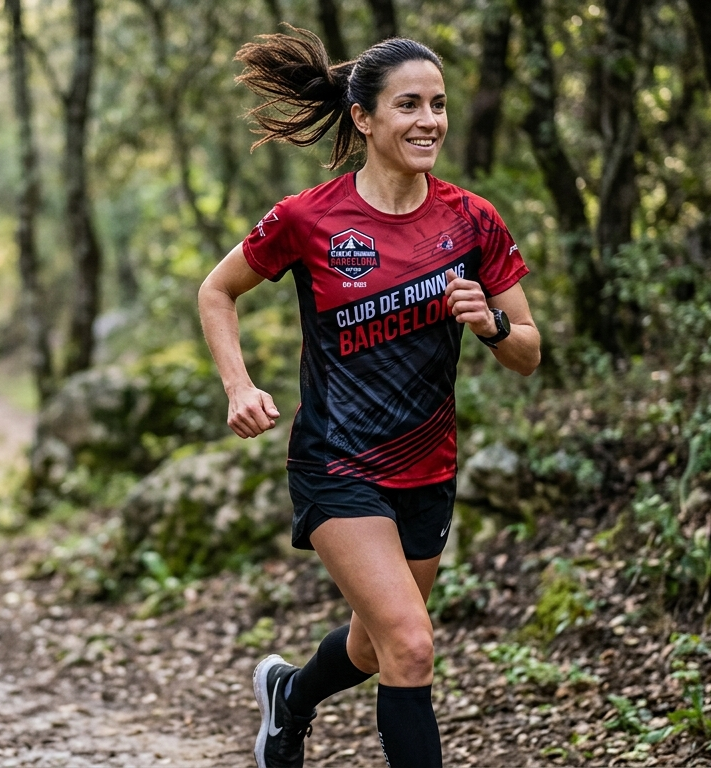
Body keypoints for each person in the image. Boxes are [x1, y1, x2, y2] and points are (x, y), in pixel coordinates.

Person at [197, 28, 540, 768]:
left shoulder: (472, 221)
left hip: (428, 467)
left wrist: (493, 322)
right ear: (364, 118)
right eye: (409, 104)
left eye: (439, 105)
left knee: (372, 641)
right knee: (411, 646)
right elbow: (217, 291)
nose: (429, 121)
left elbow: (528, 354)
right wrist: (239, 384)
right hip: (336, 463)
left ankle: (291, 695)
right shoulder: (308, 219)